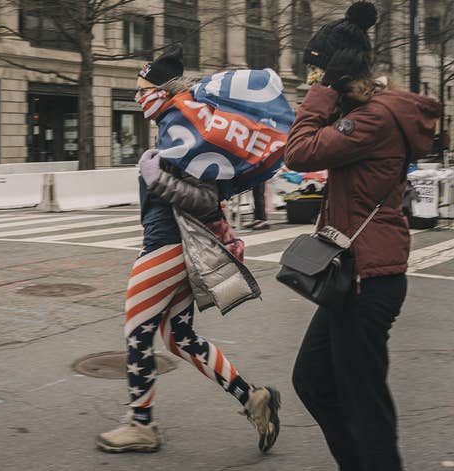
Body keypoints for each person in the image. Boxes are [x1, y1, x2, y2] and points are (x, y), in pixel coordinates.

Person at [96, 46, 280, 455]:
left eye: (143, 89)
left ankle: (141, 425)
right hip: (173, 243)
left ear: (162, 91)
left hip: (167, 243)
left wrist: (154, 175)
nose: (138, 97)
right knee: (178, 337)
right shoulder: (176, 126)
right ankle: (252, 398)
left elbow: (205, 197)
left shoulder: (183, 127)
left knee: (136, 330)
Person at [284, 3, 440, 470]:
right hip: (351, 274)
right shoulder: (359, 115)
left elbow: (298, 152)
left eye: (316, 71)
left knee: (364, 403)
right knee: (313, 381)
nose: (311, 81)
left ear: (335, 71)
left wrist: (326, 91)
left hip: (369, 280)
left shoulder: (370, 120)